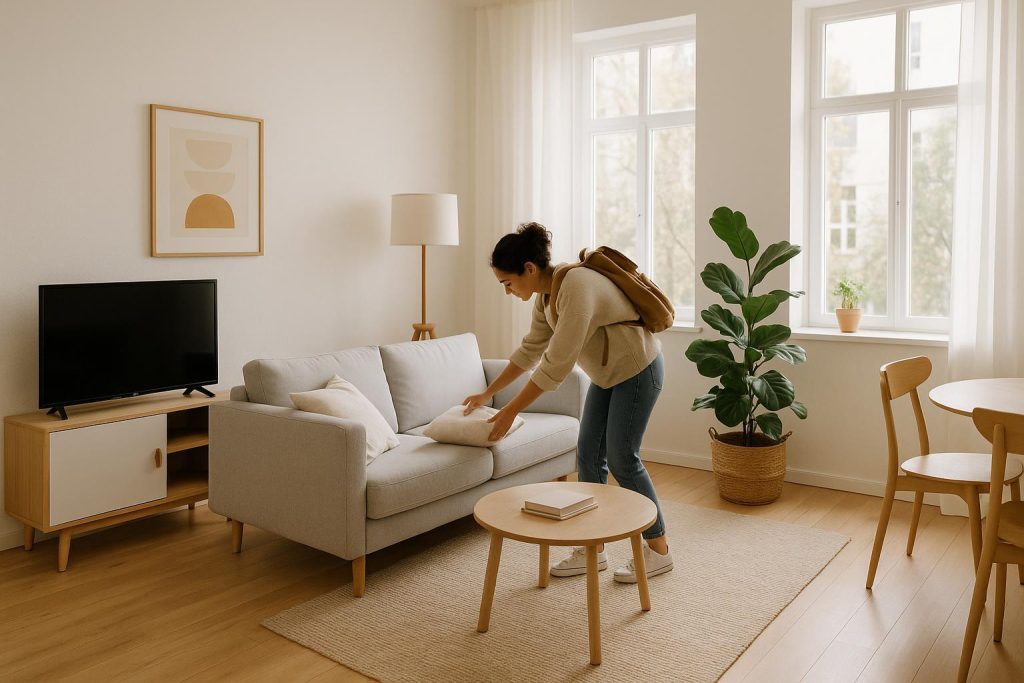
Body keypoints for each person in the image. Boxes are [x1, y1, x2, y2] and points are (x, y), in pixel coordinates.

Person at [462, 222, 672, 583]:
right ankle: (594, 549)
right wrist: (487, 393)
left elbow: (555, 365)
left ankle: (659, 552)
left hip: (638, 370)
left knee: (624, 459)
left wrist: (509, 411)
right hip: (608, 375)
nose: (508, 292)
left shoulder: (576, 287)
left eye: (507, 283)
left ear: (529, 268)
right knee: (588, 456)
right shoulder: (547, 295)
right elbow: (531, 350)